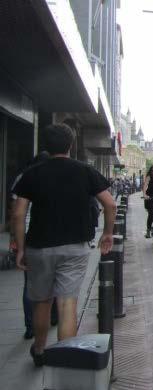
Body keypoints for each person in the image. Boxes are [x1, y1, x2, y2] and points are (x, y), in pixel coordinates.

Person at [11, 123, 116, 367]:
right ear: (71, 145)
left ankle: (39, 350)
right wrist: (107, 233)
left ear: (45, 145)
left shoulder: (32, 173)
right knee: (68, 303)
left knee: (42, 301)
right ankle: (64, 356)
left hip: (40, 246)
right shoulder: (85, 171)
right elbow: (110, 204)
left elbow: (18, 214)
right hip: (75, 246)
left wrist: (20, 245)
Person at [8, 152, 58, 340]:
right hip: (54, 236)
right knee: (54, 281)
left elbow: (17, 214)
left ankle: (31, 326)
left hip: (30, 238)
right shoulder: (55, 177)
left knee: (30, 285)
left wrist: (16, 240)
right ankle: (53, 317)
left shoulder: (24, 178)